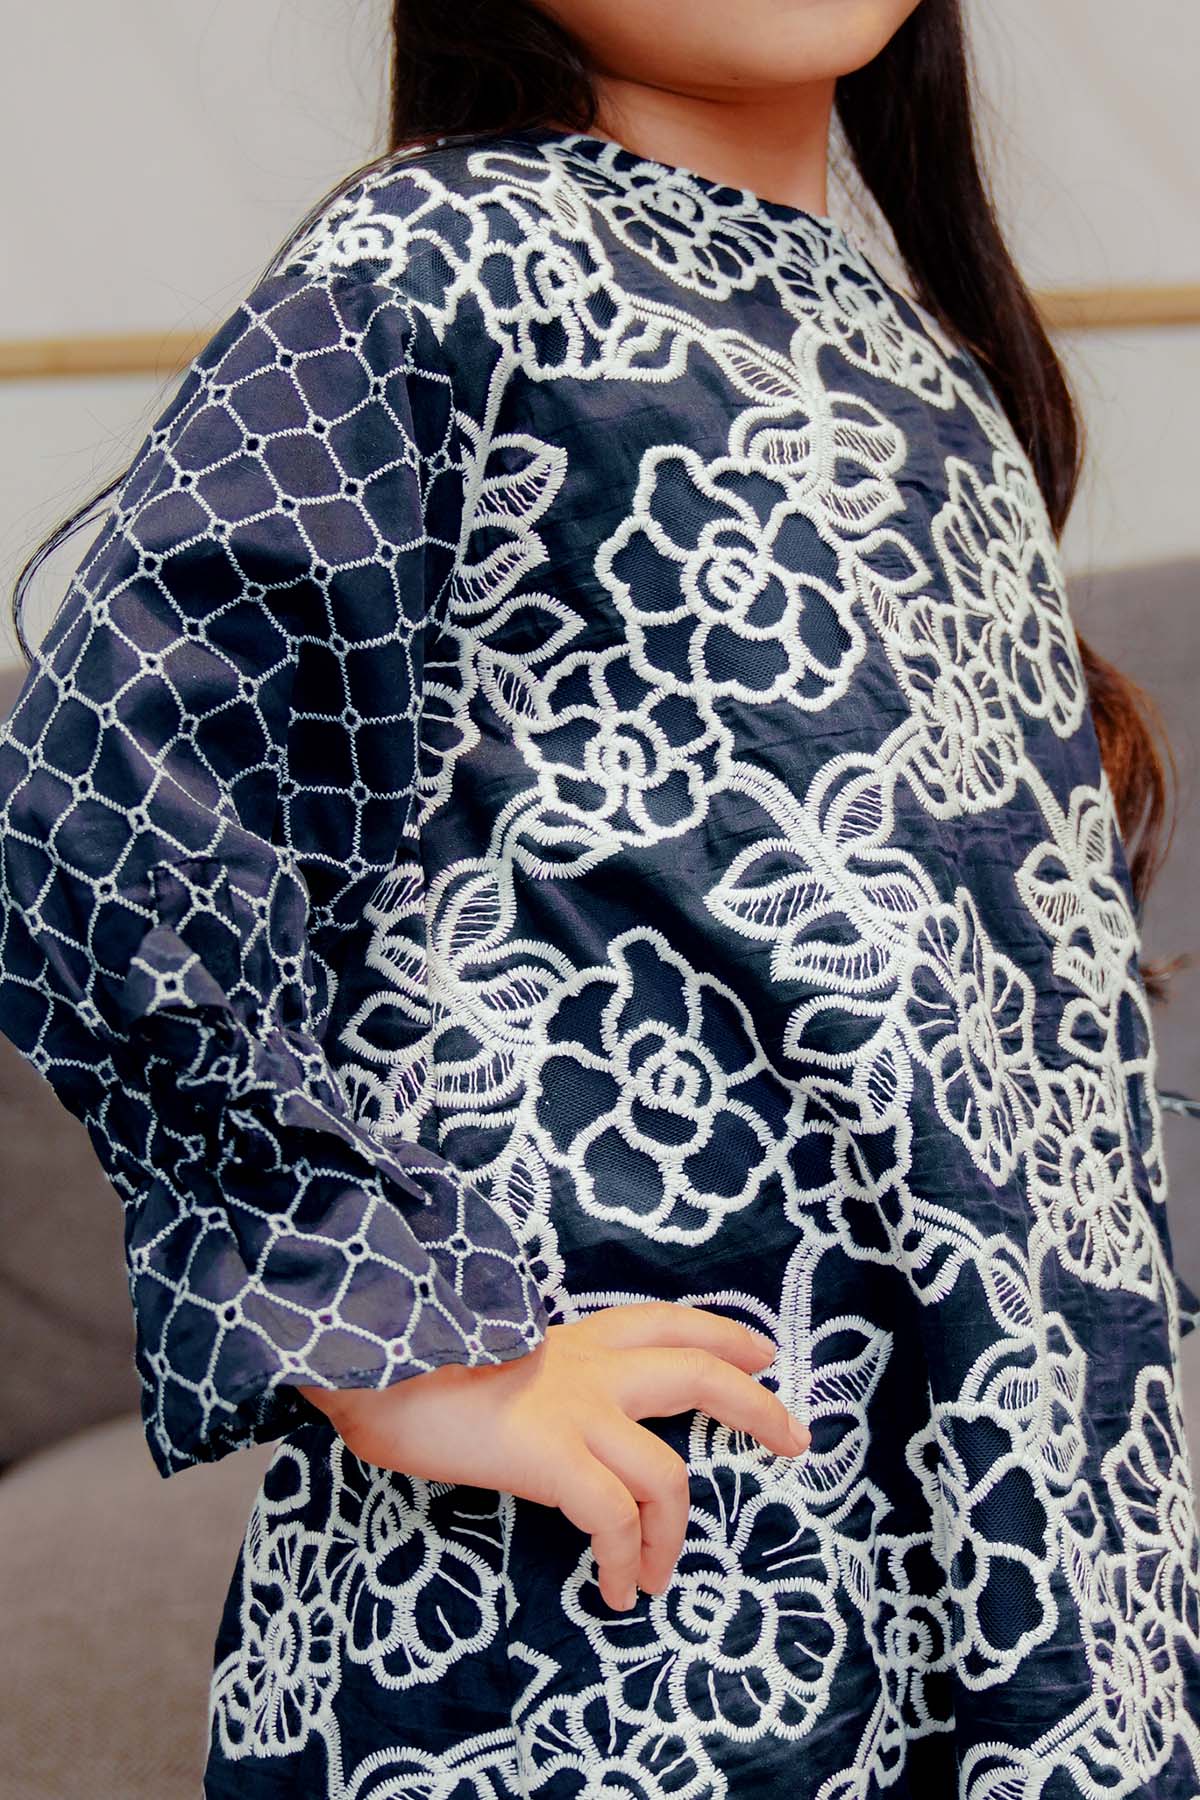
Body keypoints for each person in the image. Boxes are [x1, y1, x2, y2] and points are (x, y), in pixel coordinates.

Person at [3, 0, 1199, 1793]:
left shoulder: (930, 368)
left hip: (1018, 1545)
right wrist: (388, 1331)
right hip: (631, 1590)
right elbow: (108, 799)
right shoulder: (440, 261)